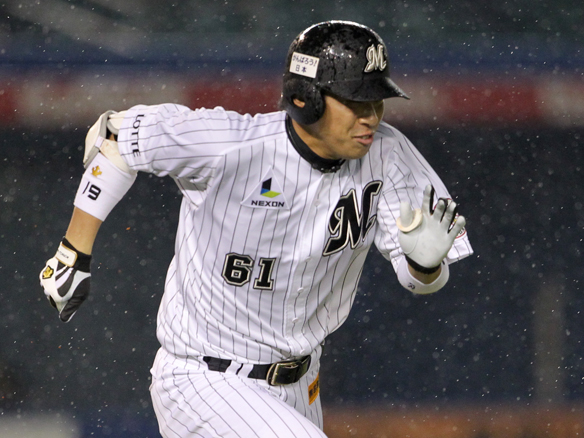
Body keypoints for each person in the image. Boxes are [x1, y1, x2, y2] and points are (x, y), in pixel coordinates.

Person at [40, 20, 473, 438]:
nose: (371, 117)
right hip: (205, 378)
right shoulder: (233, 144)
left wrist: (425, 267)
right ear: (306, 97)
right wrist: (72, 253)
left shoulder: (389, 156)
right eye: (356, 102)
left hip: (301, 385)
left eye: (377, 101)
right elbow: (118, 137)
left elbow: (419, 282)